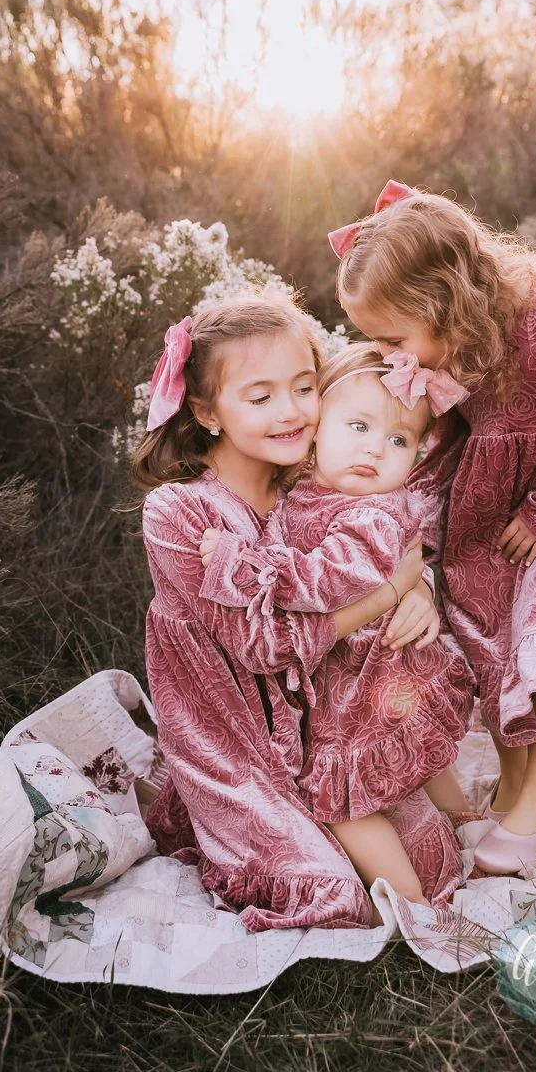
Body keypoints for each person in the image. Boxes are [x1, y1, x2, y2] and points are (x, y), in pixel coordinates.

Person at [326, 180, 536, 875]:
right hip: (486, 511)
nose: (395, 357)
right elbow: (444, 446)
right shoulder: (452, 354)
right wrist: (410, 536)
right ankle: (511, 782)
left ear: (441, 298)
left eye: (393, 337)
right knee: (486, 633)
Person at [132, 291, 457, 930]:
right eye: (261, 397)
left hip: (318, 723)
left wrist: (418, 594)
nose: (291, 413)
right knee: (336, 895)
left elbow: (381, 547)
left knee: (434, 858)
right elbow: (263, 648)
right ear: (207, 410)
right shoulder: (180, 514)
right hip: (233, 737)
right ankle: (199, 809)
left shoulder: (312, 481)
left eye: (304, 388)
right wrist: (393, 590)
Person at [196, 341, 476, 906]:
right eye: (358, 426)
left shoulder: (369, 514)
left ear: (415, 457)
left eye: (398, 441)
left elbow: (320, 582)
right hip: (369, 683)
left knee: (345, 803)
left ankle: (412, 905)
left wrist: (238, 564)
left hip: (362, 689)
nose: (374, 449)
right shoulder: (307, 491)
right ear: (319, 427)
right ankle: (468, 819)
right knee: (415, 756)